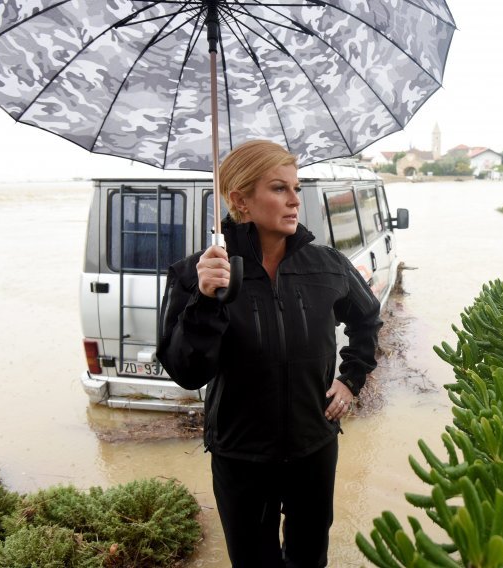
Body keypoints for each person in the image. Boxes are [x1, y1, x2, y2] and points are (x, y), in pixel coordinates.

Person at [157, 140, 382, 567]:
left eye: (296, 188)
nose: (295, 200)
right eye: (279, 188)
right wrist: (205, 300)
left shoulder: (327, 265)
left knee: (309, 557)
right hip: (242, 456)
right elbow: (187, 371)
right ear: (239, 199)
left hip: (314, 447)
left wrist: (350, 380)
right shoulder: (197, 274)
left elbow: (367, 321)